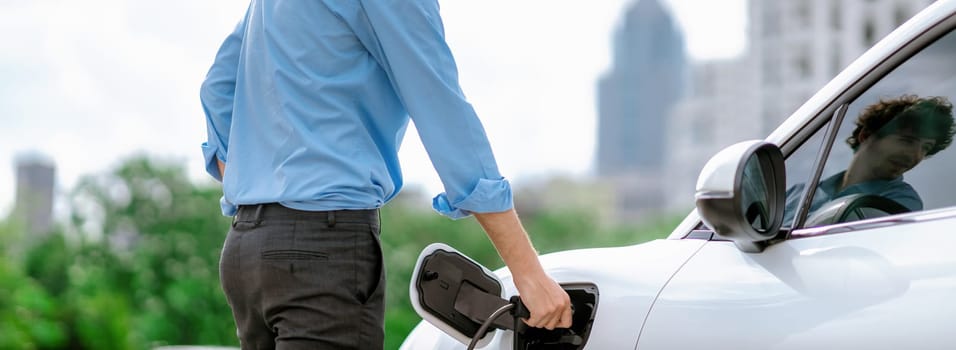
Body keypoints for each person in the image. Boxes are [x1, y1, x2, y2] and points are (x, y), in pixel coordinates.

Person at [199, 1, 572, 349]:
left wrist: (256, 185)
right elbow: (445, 113)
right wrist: (530, 275)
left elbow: (218, 89)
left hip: (246, 247)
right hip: (320, 248)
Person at [783, 94, 955, 226]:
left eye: (925, 147)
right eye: (907, 141)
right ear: (866, 136)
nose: (916, 155)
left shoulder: (900, 201)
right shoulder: (797, 194)